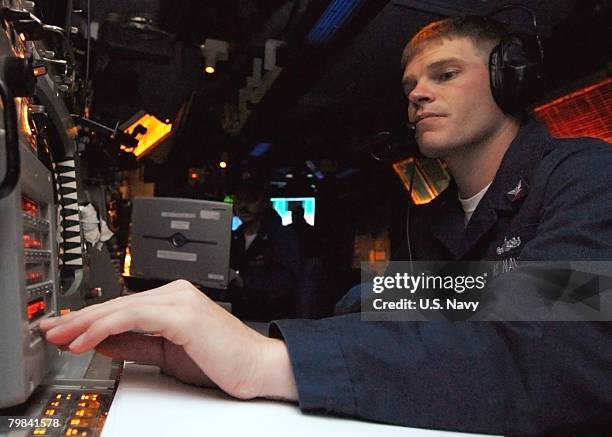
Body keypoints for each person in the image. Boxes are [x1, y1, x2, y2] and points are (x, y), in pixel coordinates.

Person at [40, 15, 612, 435]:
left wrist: (268, 363)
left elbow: (557, 356)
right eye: (411, 86)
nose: (417, 95)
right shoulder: (435, 219)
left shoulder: (583, 177)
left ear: (509, 81)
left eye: (445, 73)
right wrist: (250, 339)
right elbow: (373, 308)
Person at [229, 184, 301, 320]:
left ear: (264, 202)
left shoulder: (281, 236)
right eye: (238, 200)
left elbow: (287, 282)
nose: (243, 205)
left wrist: (244, 283)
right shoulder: (234, 237)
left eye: (251, 199)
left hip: (270, 317)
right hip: (237, 315)